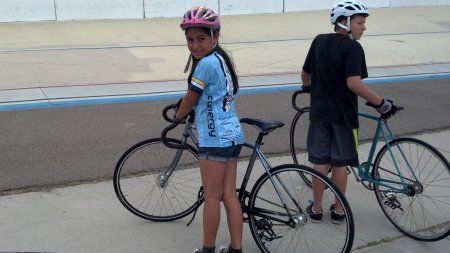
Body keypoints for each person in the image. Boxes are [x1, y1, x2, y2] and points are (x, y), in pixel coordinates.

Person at [300, 0, 397, 224]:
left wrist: (309, 89)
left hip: (319, 114)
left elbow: (305, 74)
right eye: (360, 22)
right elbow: (353, 83)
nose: (364, 27)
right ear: (344, 22)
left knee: (320, 162)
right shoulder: (353, 48)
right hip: (343, 117)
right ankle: (338, 210)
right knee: (340, 163)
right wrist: (382, 103)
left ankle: (315, 208)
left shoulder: (319, 40)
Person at [174, 6, 245, 253]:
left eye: (201, 39)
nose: (195, 45)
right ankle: (236, 248)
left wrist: (178, 115)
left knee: (212, 197)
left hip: (214, 139)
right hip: (233, 135)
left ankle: (208, 249)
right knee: (230, 196)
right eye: (190, 40)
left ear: (215, 37)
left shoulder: (205, 64)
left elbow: (191, 97)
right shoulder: (221, 59)